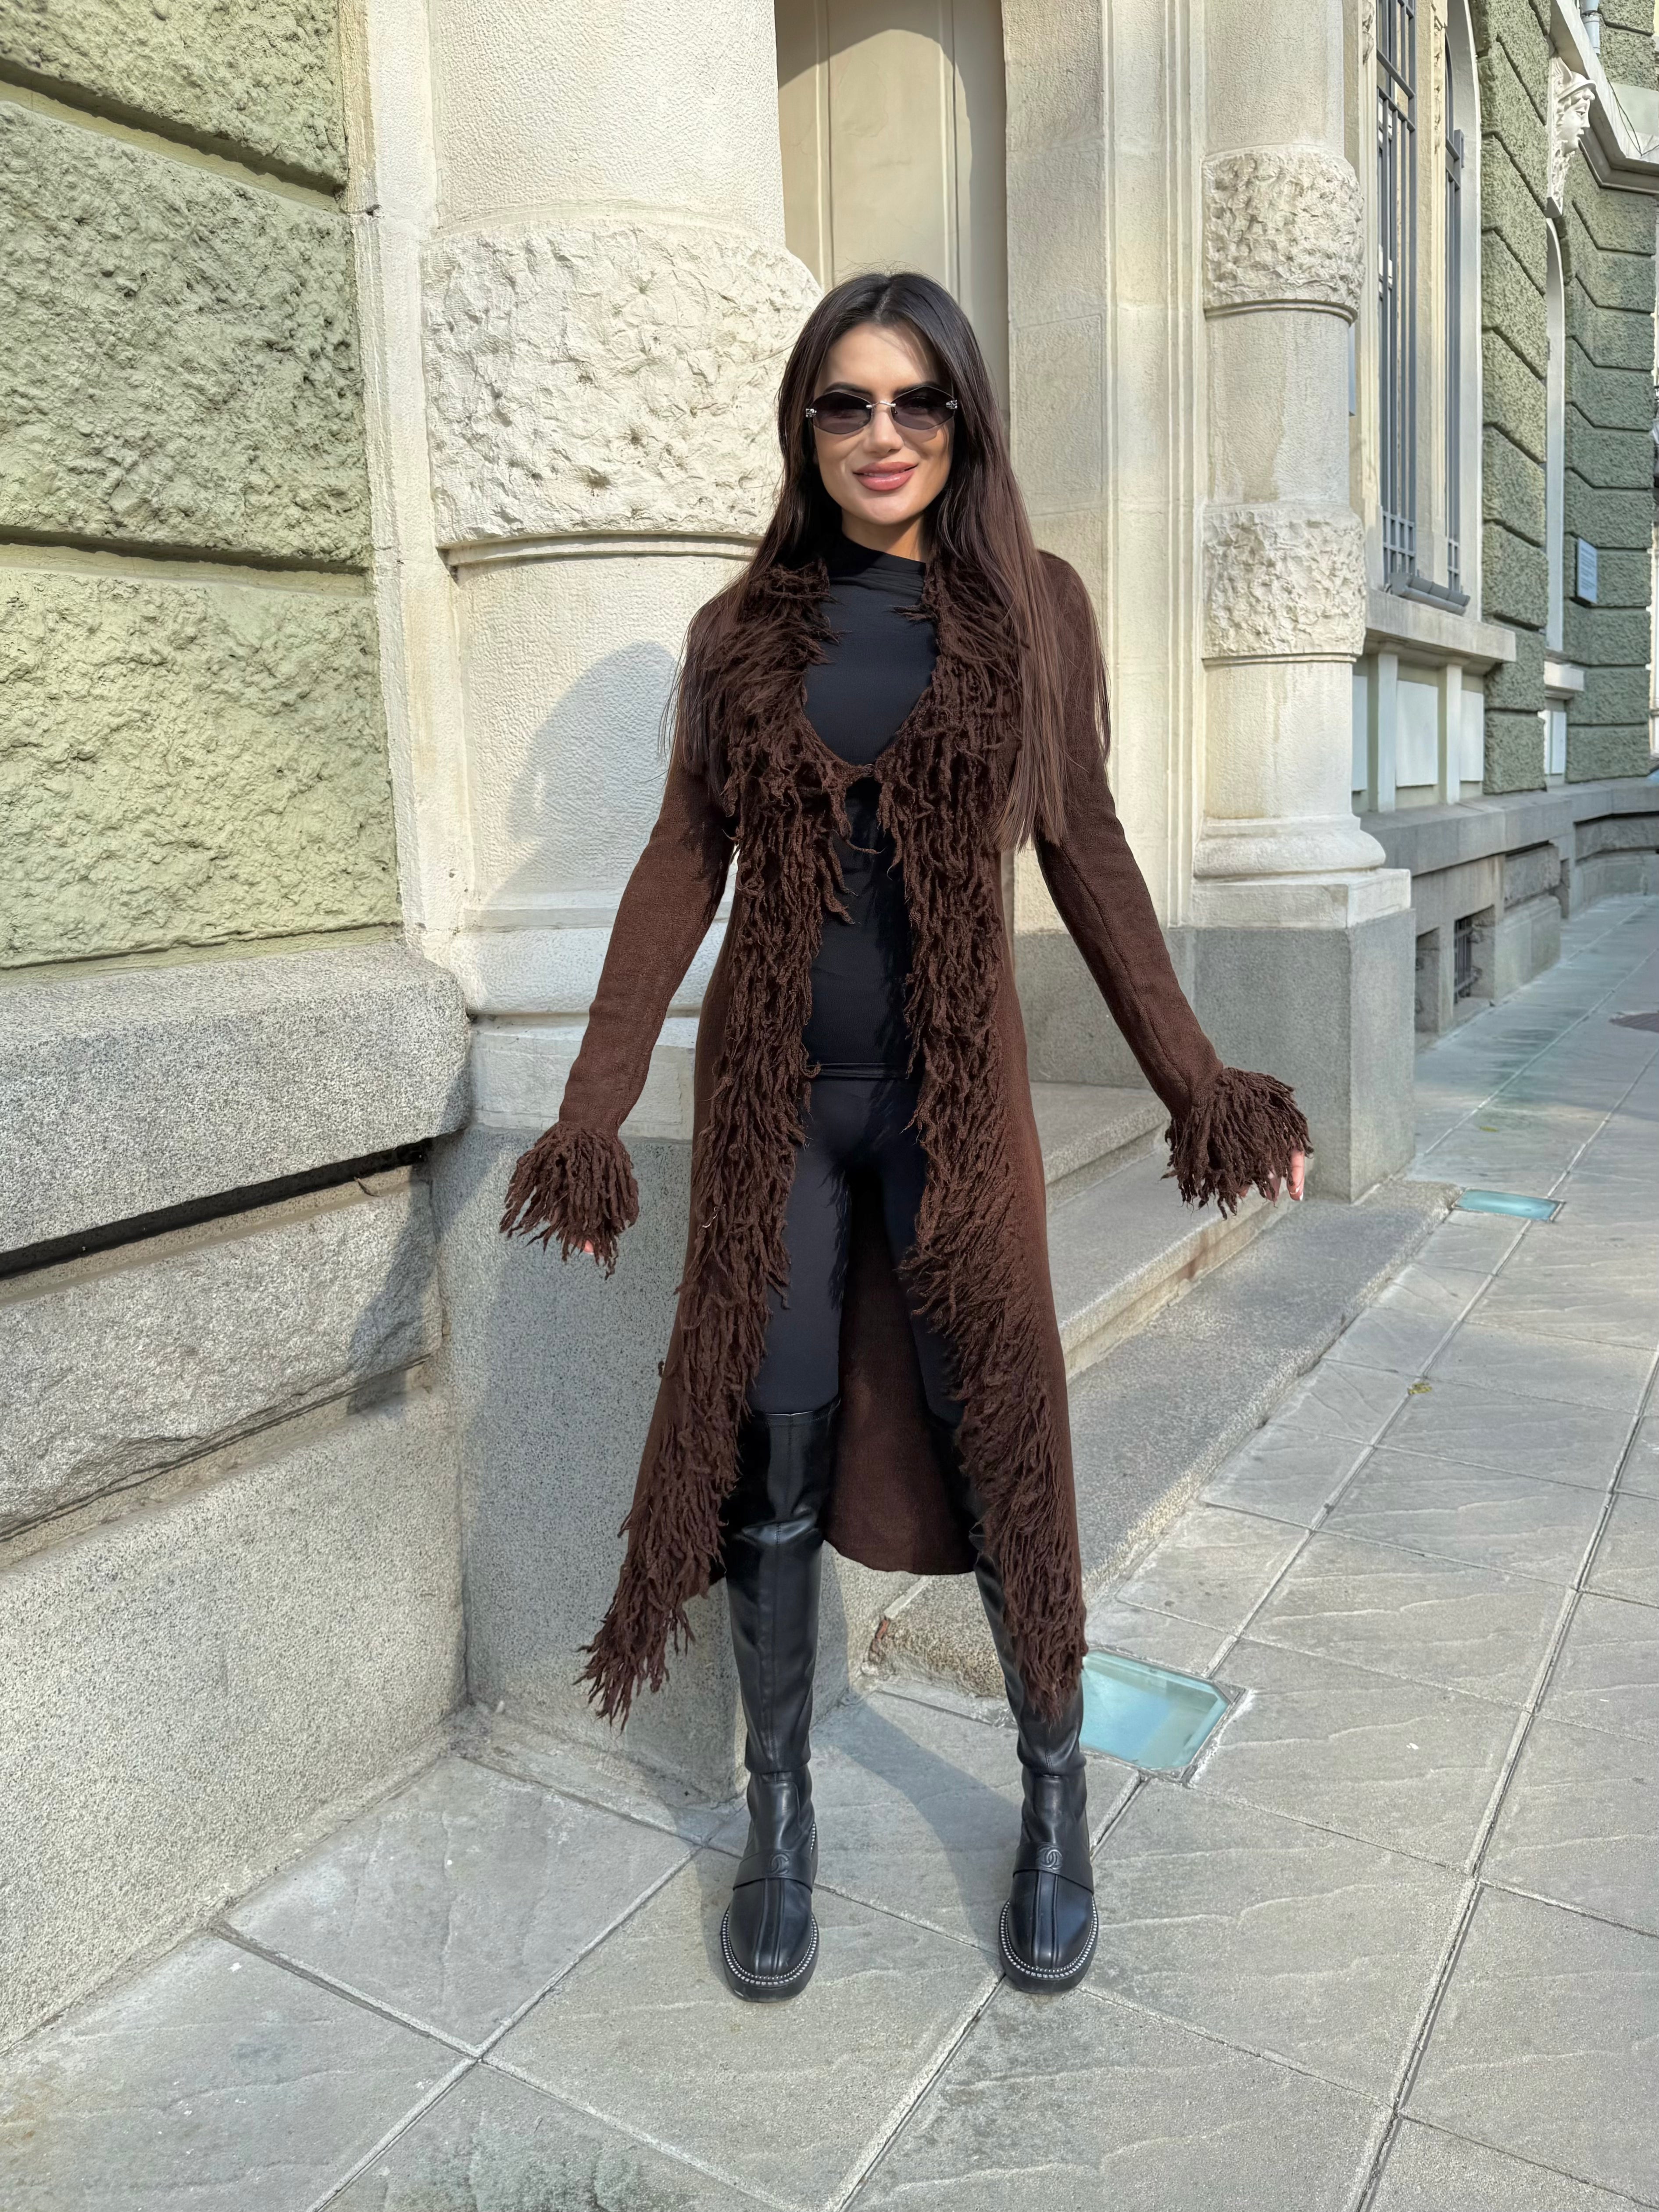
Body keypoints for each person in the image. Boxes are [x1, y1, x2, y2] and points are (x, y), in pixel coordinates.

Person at [501, 271, 1309, 2005]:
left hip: (953, 1110)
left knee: (1000, 1429)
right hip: (774, 1112)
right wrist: (589, 1120)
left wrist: (1203, 1087)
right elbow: (678, 865)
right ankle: (779, 1812)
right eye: (847, 404)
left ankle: (1051, 1798)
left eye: (917, 400)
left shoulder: (1036, 608)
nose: (884, 434)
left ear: (964, 418)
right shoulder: (741, 628)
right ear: (805, 428)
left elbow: (1090, 850)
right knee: (774, 1449)